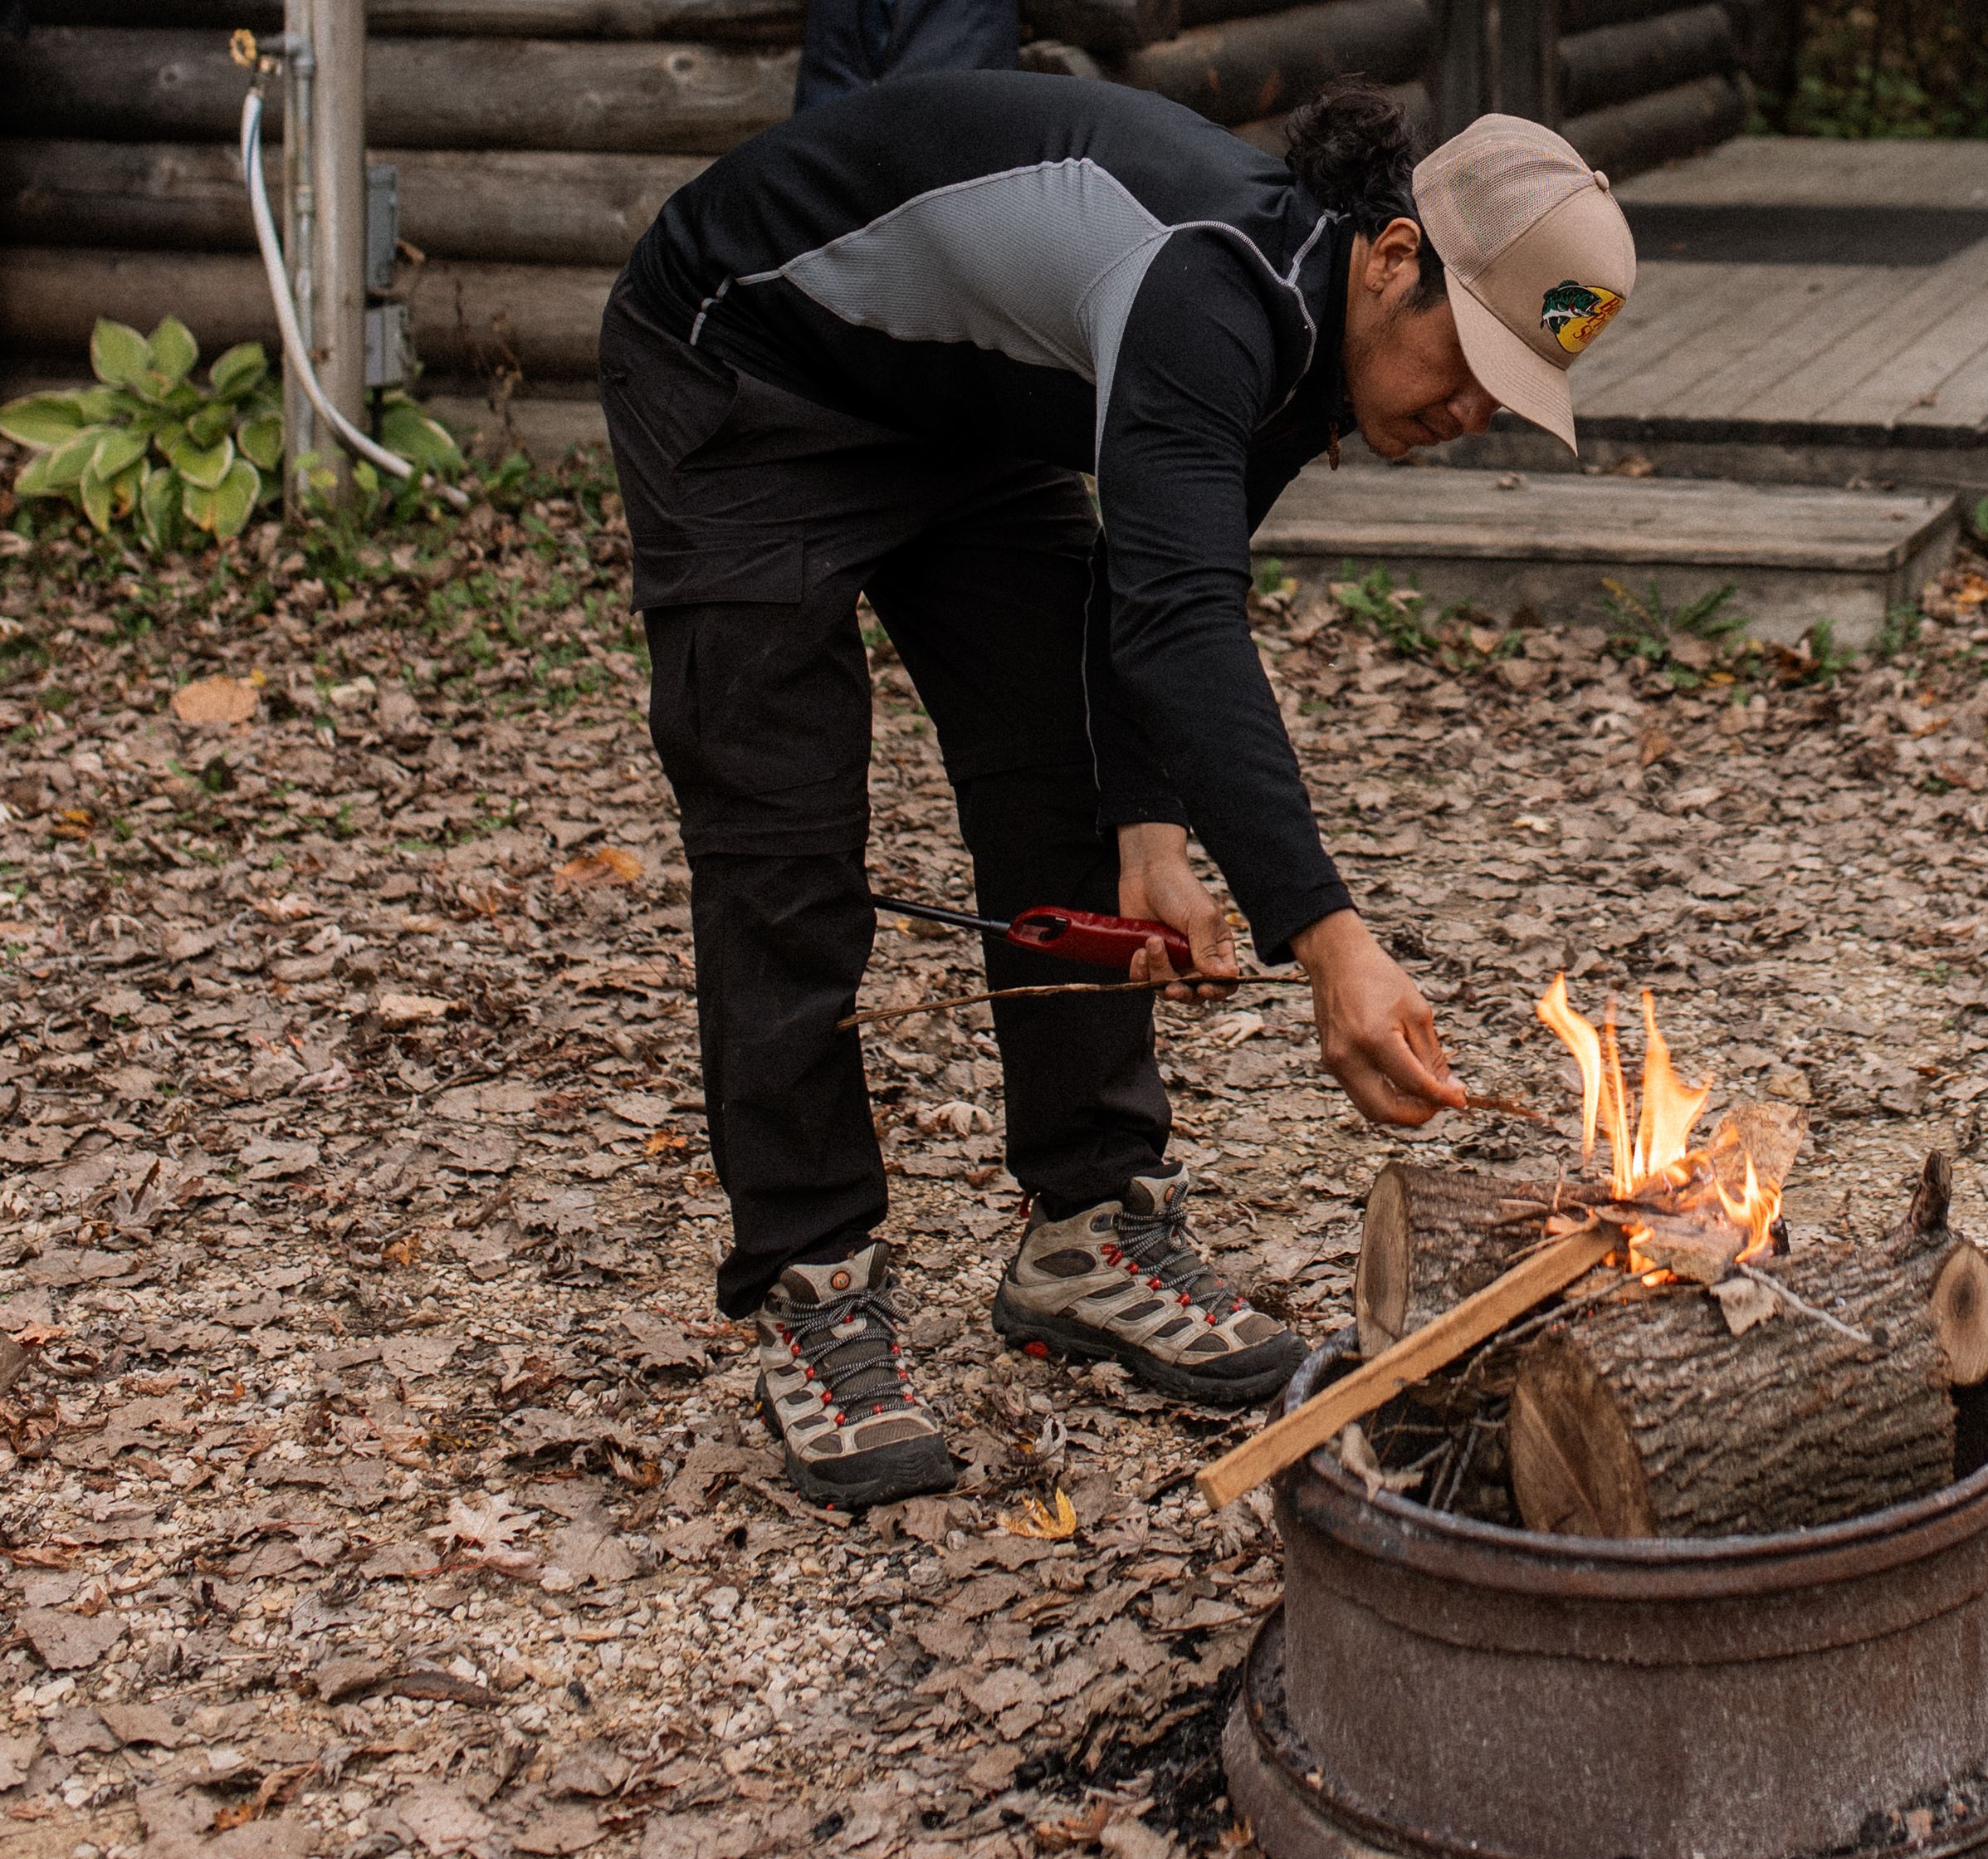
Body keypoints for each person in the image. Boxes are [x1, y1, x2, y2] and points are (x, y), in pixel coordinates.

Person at [598, 74, 1639, 1509]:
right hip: (746, 366)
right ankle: (811, 1275)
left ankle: (1086, 1230)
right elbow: (1180, 617)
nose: (1467, 409)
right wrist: (1327, 938)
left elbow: (1153, 584)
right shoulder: (1212, 289)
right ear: (1394, 258)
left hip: (960, 411)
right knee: (784, 844)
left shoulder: (1306, 343)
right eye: (1464, 358)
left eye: (1507, 394)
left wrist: (1147, 835)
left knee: (1066, 797)